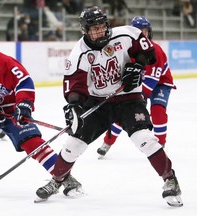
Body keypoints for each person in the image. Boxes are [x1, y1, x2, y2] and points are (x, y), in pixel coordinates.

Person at [36, 6, 183, 207]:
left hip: (129, 99)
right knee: (73, 144)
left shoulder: (126, 34)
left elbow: (148, 52)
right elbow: (74, 85)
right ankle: (58, 179)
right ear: (85, 31)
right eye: (92, 29)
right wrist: (75, 106)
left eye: (101, 27)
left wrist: (138, 65)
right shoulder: (79, 52)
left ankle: (170, 179)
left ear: (106, 25)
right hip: (98, 103)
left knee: (145, 139)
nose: (98, 32)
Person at [0, 28, 81, 198]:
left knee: (32, 142)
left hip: (12, 109)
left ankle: (65, 177)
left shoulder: (4, 62)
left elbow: (24, 81)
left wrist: (25, 104)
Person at [97, 16, 176, 158]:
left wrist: (137, 99)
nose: (141, 34)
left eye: (144, 31)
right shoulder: (126, 49)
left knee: (157, 111)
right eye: (137, 31)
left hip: (160, 84)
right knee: (122, 112)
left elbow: (152, 80)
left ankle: (161, 145)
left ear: (149, 32)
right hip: (140, 83)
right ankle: (107, 143)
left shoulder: (155, 51)